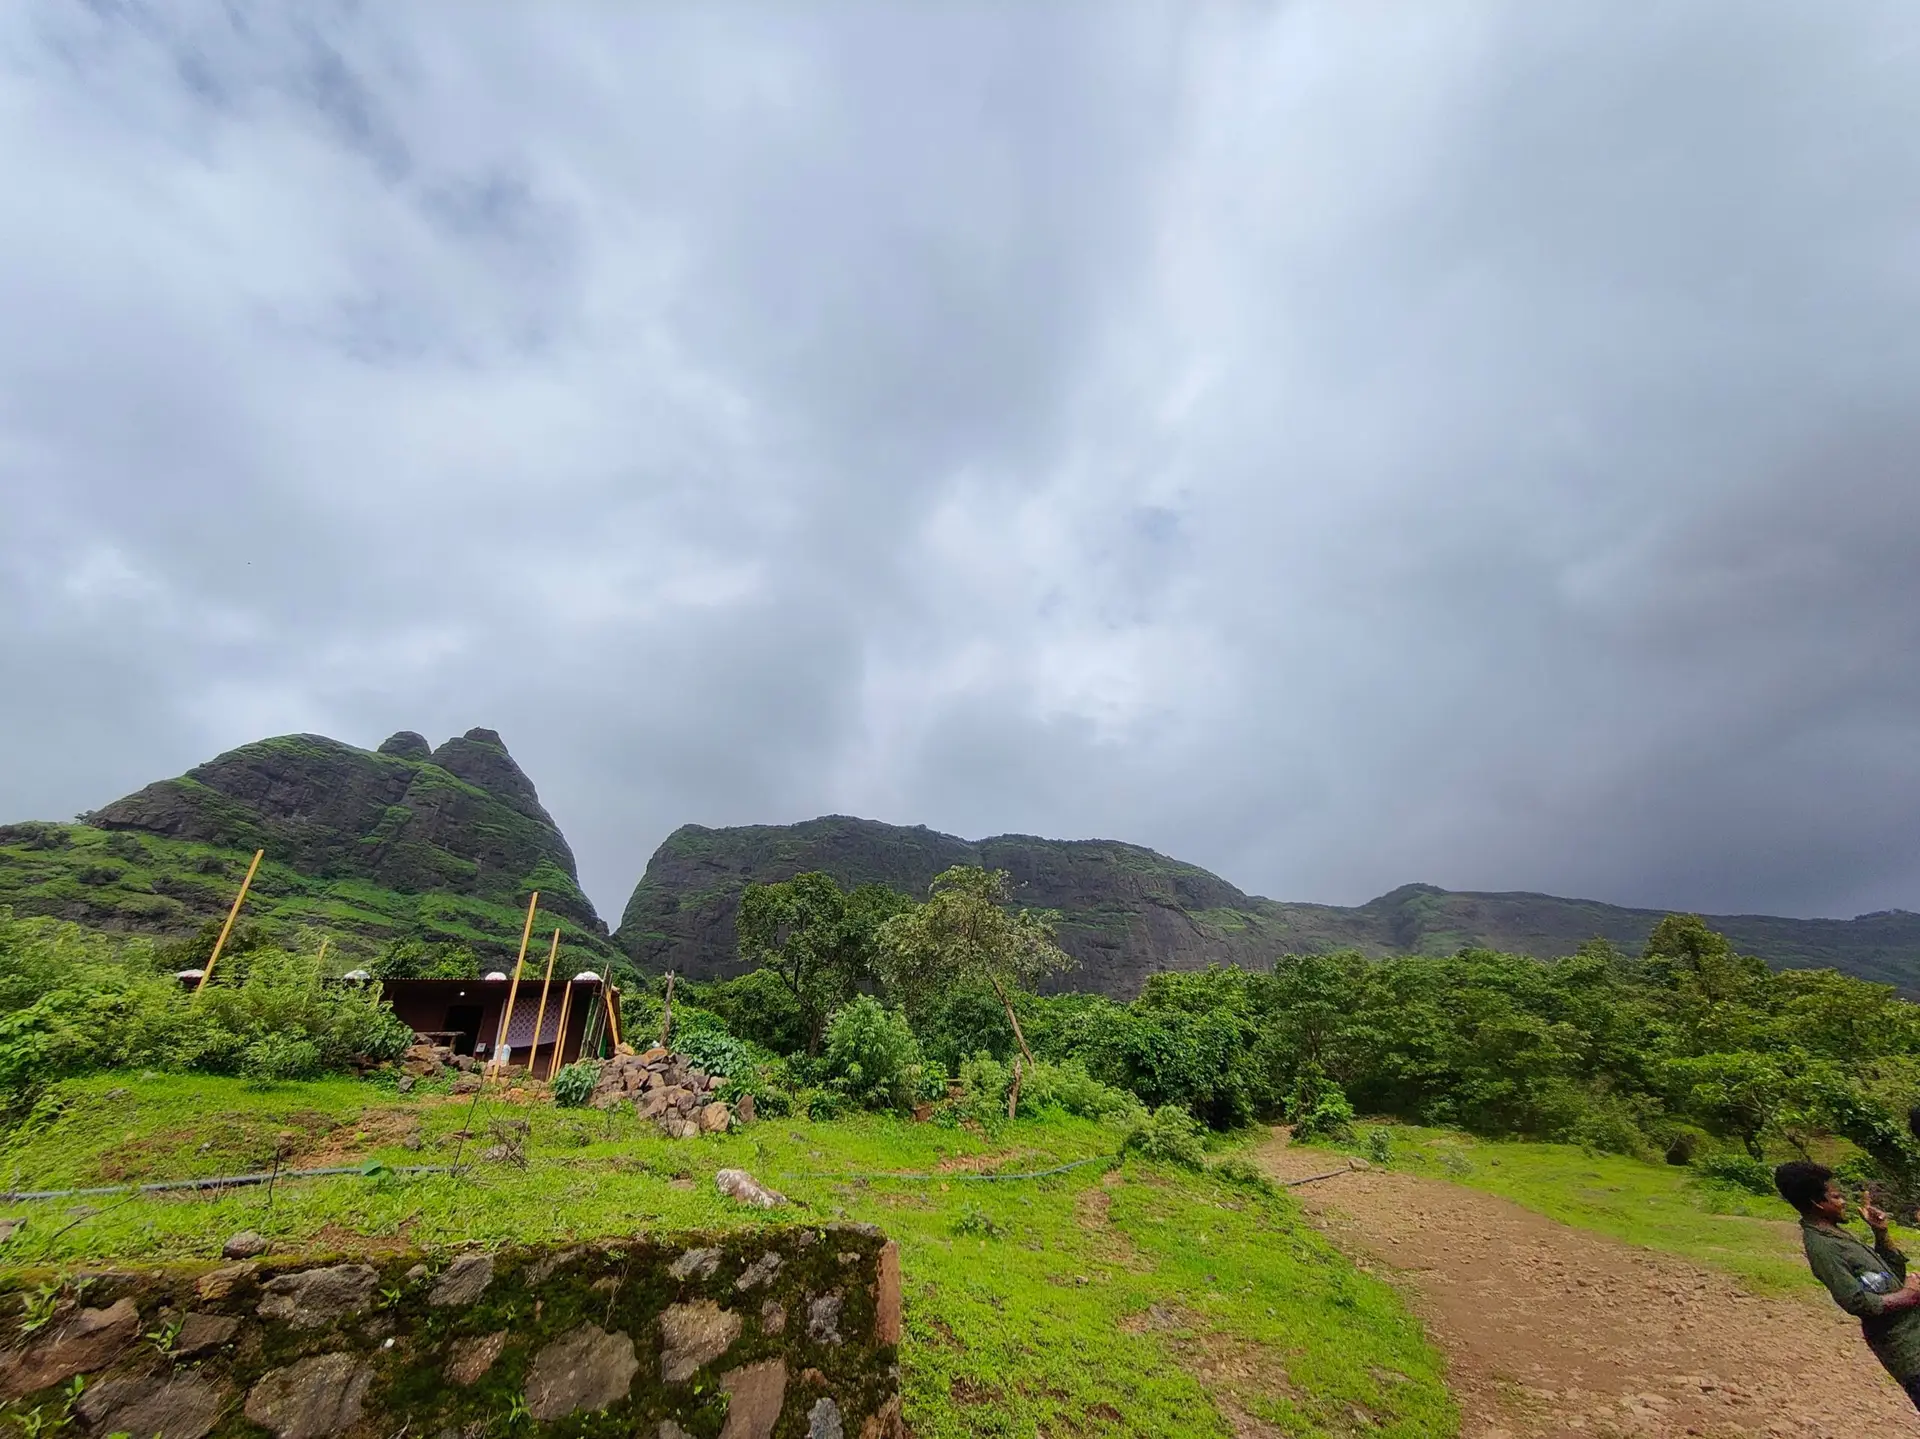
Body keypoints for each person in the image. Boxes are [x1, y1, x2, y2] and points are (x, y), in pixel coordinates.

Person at [1777, 1159, 1920, 1409]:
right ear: (1817, 1203)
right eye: (1836, 1196)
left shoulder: (1836, 1234)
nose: (1843, 1202)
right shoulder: (1823, 1248)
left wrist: (1881, 1233)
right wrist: (1908, 1295)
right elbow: (1855, 1301)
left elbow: (1889, 1278)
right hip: (1907, 1350)